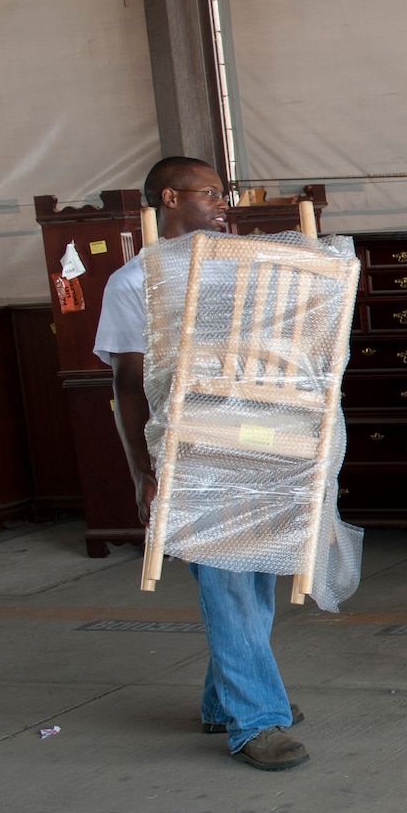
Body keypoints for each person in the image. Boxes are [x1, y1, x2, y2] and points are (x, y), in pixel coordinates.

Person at [95, 156, 309, 770]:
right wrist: (143, 469)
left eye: (224, 194)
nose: (223, 206)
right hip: (191, 452)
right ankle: (256, 720)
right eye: (210, 194)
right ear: (169, 197)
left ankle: (226, 702)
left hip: (257, 441)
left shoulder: (240, 270)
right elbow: (128, 384)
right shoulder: (135, 283)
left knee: (256, 574)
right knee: (227, 580)